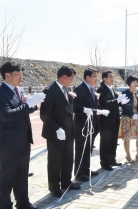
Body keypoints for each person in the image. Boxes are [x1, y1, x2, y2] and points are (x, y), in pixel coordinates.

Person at [0, 62, 45, 209]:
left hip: (23, 140)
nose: (21, 77)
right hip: (9, 143)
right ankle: (4, 206)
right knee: (6, 178)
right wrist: (28, 105)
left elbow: (23, 111)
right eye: (17, 74)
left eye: (21, 73)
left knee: (22, 175)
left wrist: (33, 104)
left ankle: (23, 202)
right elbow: (7, 115)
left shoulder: (19, 91)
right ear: (7, 75)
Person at [40, 66, 92, 198]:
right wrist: (57, 128)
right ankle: (54, 187)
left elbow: (70, 107)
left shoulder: (66, 89)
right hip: (55, 133)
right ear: (63, 77)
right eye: (71, 78)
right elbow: (45, 114)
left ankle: (66, 183)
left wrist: (84, 109)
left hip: (68, 132)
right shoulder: (49, 91)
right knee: (55, 161)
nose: (71, 81)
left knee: (68, 159)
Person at [73, 68, 110, 181]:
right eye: (94, 76)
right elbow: (76, 107)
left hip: (91, 124)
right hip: (82, 124)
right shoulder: (80, 89)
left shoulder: (91, 89)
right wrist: (87, 110)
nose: (96, 79)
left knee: (88, 148)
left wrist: (99, 110)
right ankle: (79, 173)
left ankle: (86, 169)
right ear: (87, 77)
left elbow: (93, 105)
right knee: (81, 149)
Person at [97, 71, 129, 171]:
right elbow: (105, 103)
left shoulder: (112, 88)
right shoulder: (101, 89)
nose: (112, 78)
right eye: (110, 77)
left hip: (114, 119)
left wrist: (121, 102)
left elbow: (115, 103)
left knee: (113, 141)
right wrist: (117, 100)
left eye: (113, 76)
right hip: (106, 120)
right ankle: (104, 163)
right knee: (105, 142)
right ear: (104, 79)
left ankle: (112, 159)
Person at [121, 76, 138, 162]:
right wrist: (132, 114)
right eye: (133, 82)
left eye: (136, 82)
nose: (135, 84)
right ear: (129, 83)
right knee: (127, 137)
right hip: (127, 117)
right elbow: (124, 106)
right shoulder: (125, 93)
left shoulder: (137, 93)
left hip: (137, 117)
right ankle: (128, 156)